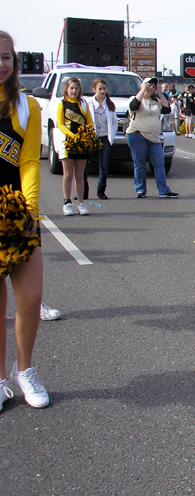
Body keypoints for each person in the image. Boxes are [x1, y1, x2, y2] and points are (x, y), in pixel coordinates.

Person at [0, 30, 49, 410]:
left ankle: (25, 369)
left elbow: (29, 161)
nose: (1, 64)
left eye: (6, 57)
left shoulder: (27, 107)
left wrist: (28, 210)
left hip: (15, 211)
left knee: (30, 298)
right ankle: (0, 379)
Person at [127, 78, 179, 199]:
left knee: (159, 163)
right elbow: (134, 106)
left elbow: (167, 109)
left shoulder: (156, 101)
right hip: (137, 134)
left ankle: (163, 190)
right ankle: (140, 190)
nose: (151, 87)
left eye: (153, 85)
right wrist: (143, 89)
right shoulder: (135, 99)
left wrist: (160, 94)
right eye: (148, 85)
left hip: (154, 138)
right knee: (139, 164)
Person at [54, 77, 92, 216]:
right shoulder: (62, 104)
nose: (74, 91)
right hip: (67, 142)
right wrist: (72, 136)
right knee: (68, 174)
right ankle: (67, 202)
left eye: (76, 88)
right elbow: (60, 124)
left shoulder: (83, 103)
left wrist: (87, 135)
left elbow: (89, 121)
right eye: (72, 88)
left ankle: (81, 203)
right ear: (67, 89)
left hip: (82, 143)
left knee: (79, 175)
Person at [86, 78, 118, 200]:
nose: (102, 91)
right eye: (100, 89)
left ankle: (101, 190)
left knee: (104, 164)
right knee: (85, 164)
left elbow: (114, 122)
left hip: (105, 137)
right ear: (94, 89)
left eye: (104, 88)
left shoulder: (109, 104)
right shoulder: (88, 104)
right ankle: (84, 190)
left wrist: (112, 135)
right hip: (92, 136)